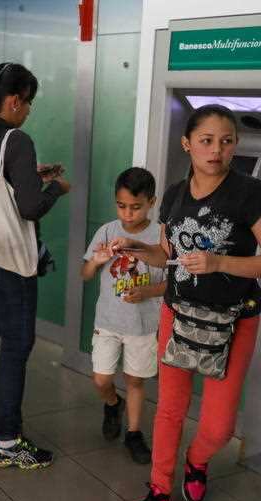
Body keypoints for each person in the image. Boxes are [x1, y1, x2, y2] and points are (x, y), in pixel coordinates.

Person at [113, 105, 261, 501]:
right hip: (178, 315)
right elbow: (167, 255)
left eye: (227, 141)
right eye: (207, 140)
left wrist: (220, 263)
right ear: (187, 143)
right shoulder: (174, 194)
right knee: (170, 409)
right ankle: (159, 489)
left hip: (233, 321)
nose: (217, 150)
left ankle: (197, 461)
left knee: (219, 424)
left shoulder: (249, 194)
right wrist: (136, 249)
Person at [0, 62, 70, 468]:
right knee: (18, 342)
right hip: (8, 256)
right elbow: (29, 206)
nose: (28, 110)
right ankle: (7, 443)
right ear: (13, 100)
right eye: (29, 102)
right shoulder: (17, 139)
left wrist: (30, 175)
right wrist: (55, 188)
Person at [80, 167, 165, 465]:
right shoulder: (106, 231)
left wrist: (148, 292)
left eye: (136, 207)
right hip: (108, 321)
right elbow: (86, 273)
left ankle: (133, 433)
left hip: (143, 325)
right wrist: (97, 261)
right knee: (102, 379)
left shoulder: (161, 235)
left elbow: (172, 283)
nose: (128, 214)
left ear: (151, 202)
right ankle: (113, 404)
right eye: (121, 206)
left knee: (135, 380)